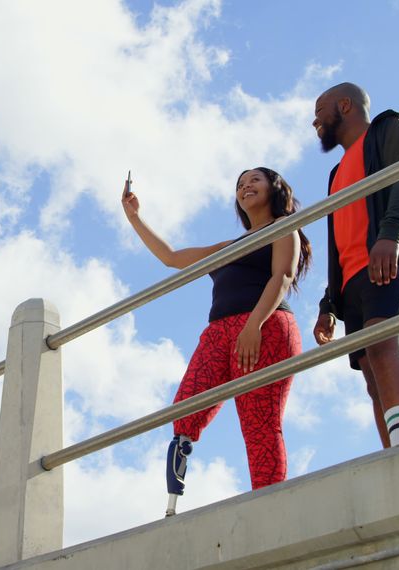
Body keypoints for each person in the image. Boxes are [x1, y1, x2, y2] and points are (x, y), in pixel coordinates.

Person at [122, 167, 311, 517]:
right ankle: (173, 495)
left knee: (259, 424)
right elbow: (171, 258)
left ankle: (270, 506)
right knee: (186, 407)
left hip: (264, 327)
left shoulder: (284, 227)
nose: (245, 186)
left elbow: (282, 276)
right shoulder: (227, 247)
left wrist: (254, 325)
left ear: (275, 187)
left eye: (255, 179)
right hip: (219, 331)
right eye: (240, 184)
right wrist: (135, 217)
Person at [311, 82, 399, 449]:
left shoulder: (389, 128)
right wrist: (329, 304)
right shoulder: (335, 175)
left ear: (344, 105)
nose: (314, 121)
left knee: (383, 344)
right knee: (369, 372)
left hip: (389, 260)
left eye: (319, 111)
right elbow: (339, 241)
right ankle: (393, 454)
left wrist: (391, 235)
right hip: (351, 283)